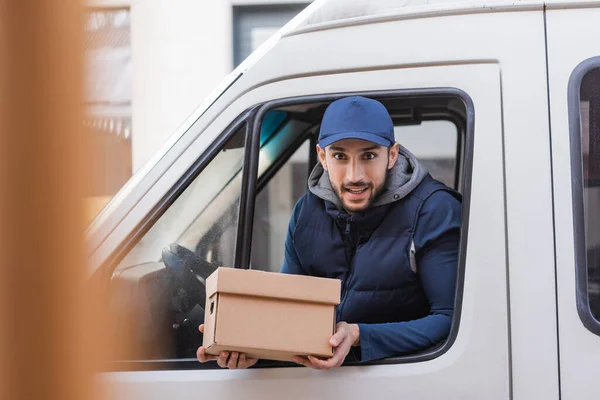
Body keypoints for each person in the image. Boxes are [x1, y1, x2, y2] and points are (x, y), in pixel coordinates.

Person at [197, 96, 461, 370]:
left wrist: (359, 336)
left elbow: (450, 319)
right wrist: (254, 348)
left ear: (392, 155)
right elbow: (291, 314)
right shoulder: (306, 212)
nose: (353, 176)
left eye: (369, 156)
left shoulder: (433, 210)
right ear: (322, 156)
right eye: (340, 156)